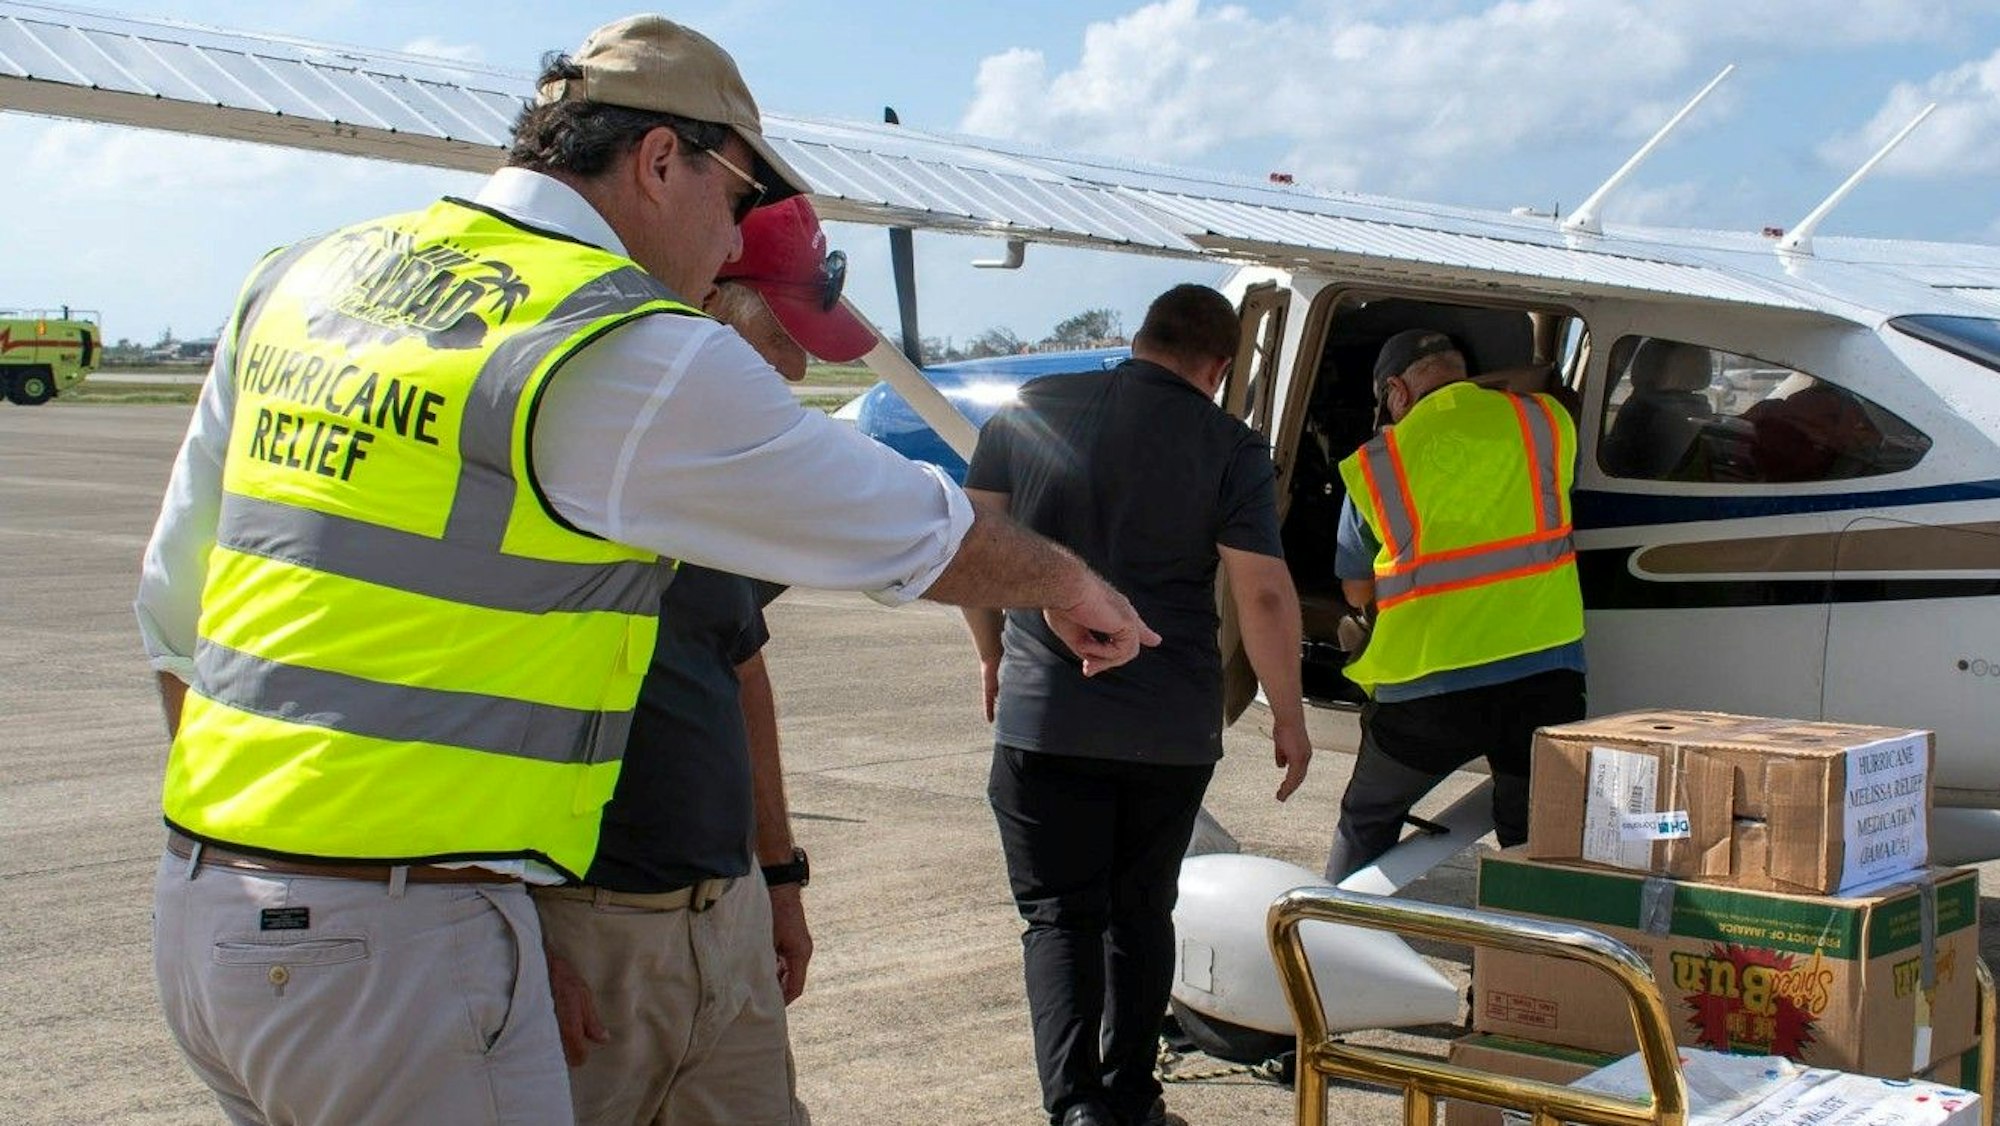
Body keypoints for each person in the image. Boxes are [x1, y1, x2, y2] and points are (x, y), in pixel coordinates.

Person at [133, 16, 1157, 1126]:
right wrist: (1067, 582)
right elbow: (907, 530)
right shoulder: (608, 335)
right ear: (660, 158)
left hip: (212, 916)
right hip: (396, 942)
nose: (728, 246)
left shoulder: (301, 278)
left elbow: (172, 615)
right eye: (732, 201)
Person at [536, 196, 866, 1126]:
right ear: (709, 303)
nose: (796, 370)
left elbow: (741, 673)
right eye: (778, 341)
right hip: (587, 929)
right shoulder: (566, 449)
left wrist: (779, 881)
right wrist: (519, 938)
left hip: (723, 915)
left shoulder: (711, 480)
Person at [962, 284, 1312, 1126]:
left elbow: (970, 542)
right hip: (1170, 726)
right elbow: (1261, 594)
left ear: (1140, 338)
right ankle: (1133, 1094)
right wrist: (1290, 716)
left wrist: (990, 655)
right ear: (1220, 368)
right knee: (1141, 910)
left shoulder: (1030, 411)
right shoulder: (1231, 446)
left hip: (1046, 715)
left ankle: (1076, 1107)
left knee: (1058, 919)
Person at [1322, 329, 1586, 883]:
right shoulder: (1544, 423)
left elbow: (1356, 591)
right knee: (1530, 832)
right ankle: (1528, 963)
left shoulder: (1378, 463)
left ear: (1396, 389)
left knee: (1369, 816)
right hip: (1545, 677)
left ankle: (1331, 942)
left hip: (1427, 690)